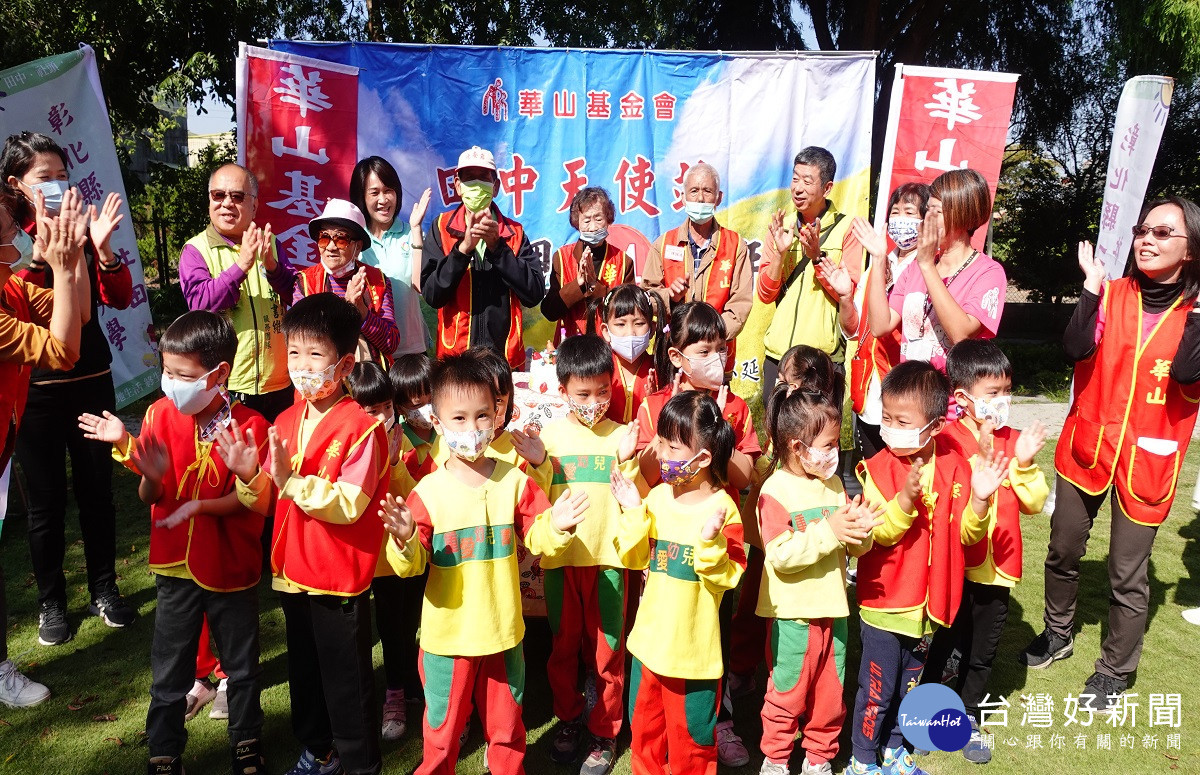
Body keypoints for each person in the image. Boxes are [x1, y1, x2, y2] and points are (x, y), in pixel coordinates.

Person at [1021, 197, 1200, 712]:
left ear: (1191, 251)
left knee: (1127, 572)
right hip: (1087, 447)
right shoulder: (1111, 293)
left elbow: (1188, 374)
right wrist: (1090, 290)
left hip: (1149, 460)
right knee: (1064, 549)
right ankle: (1058, 633)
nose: (1147, 239)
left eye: (1164, 233)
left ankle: (1115, 670)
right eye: (1144, 230)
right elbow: (1075, 349)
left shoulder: (1195, 312)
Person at [378, 352, 589, 775]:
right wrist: (403, 540)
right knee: (440, 735)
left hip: (503, 633)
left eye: (481, 416)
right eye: (458, 418)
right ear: (437, 423)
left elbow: (539, 536)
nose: (472, 428)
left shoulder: (515, 480)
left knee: (508, 731)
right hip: (446, 641)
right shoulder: (428, 492)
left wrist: (558, 525)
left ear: (497, 416)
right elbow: (411, 565)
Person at [80, 311, 268, 775]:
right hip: (174, 566)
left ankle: (246, 744)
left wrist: (236, 483)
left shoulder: (250, 426)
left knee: (241, 668)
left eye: (183, 376)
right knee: (168, 672)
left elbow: (253, 501)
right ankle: (163, 752)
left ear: (219, 374)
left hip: (230, 566)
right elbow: (153, 492)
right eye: (166, 372)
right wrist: (137, 459)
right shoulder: (159, 414)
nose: (171, 384)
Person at [220, 293, 389, 775]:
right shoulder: (286, 420)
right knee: (306, 674)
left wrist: (287, 480)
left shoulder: (363, 428)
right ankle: (318, 749)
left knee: (346, 679)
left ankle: (359, 762)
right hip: (292, 571)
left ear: (345, 363)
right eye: (293, 352)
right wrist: (250, 476)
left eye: (315, 355)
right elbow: (267, 501)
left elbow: (350, 504)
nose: (301, 365)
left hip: (337, 576)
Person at [2, 131, 136, 643]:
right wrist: (41, 259)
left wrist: (100, 251)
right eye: (44, 179)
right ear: (17, 185)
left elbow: (111, 301)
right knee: (45, 502)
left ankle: (105, 589)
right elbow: (26, 313)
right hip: (36, 389)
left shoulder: (79, 230)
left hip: (92, 381)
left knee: (97, 492)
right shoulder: (11, 239)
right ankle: (51, 603)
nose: (57, 186)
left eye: (62, 176)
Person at [847, 361, 1006, 775]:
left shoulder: (955, 464)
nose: (890, 428)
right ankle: (862, 759)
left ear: (935, 426)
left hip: (928, 608)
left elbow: (968, 536)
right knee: (877, 690)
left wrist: (982, 499)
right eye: (885, 418)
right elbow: (879, 534)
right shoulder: (878, 468)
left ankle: (897, 752)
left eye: (902, 420)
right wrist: (903, 501)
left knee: (910, 687)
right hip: (886, 604)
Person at [918, 340, 1047, 765]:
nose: (1003, 401)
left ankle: (969, 716)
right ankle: (928, 712)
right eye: (993, 394)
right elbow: (947, 511)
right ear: (962, 399)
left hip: (998, 571)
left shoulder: (1013, 442)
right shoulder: (948, 442)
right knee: (945, 640)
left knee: (982, 654)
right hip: (956, 567)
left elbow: (1032, 503)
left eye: (1008, 391)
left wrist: (1024, 466)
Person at [517, 334, 642, 775]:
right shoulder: (547, 439)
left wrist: (626, 459)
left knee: (608, 653)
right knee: (563, 648)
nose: (594, 401)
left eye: (603, 392)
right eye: (583, 394)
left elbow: (631, 498)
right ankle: (568, 720)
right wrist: (537, 463)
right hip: (561, 565)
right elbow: (534, 503)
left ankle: (605, 732)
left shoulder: (621, 438)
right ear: (563, 388)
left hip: (609, 565)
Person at [609, 391, 746, 775]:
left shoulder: (724, 510)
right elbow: (632, 558)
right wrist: (635, 511)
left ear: (703, 458)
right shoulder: (656, 499)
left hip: (694, 657)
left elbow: (728, 576)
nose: (661, 455)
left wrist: (707, 544)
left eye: (670, 447)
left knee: (692, 741)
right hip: (649, 647)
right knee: (645, 731)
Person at [755, 387, 881, 775]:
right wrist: (831, 529)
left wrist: (862, 531)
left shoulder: (833, 485)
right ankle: (775, 757)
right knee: (788, 690)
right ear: (798, 447)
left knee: (830, 691)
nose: (835, 452)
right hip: (793, 615)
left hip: (833, 609)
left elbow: (849, 547)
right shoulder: (774, 490)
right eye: (828, 444)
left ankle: (819, 756)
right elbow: (780, 555)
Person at [0, 187, 86, 708]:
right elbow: (63, 349)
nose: (19, 228)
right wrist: (62, 264)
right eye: (10, 220)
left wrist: (71, 261)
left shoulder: (10, 286)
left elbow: (74, 315)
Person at [859, 168, 1007, 375]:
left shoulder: (988, 272)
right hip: (911, 393)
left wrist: (928, 266)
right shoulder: (915, 267)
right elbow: (880, 326)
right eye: (928, 210)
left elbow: (960, 334)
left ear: (963, 214)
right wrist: (877, 258)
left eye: (937, 211)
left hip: (953, 399)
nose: (927, 218)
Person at [179, 162, 295, 422]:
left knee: (276, 460)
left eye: (237, 196)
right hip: (227, 385)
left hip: (279, 382)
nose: (227, 204)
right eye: (218, 195)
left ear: (254, 205)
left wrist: (274, 268)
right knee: (232, 460)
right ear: (209, 200)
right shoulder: (196, 250)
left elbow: (295, 296)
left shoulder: (271, 243)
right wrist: (242, 265)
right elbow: (201, 304)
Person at [345, 361, 418, 741]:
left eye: (387, 407)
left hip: (390, 557)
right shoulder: (344, 441)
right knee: (354, 631)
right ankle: (360, 699)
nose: (382, 416)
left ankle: (398, 693)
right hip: (354, 557)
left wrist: (392, 462)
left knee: (396, 627)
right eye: (371, 410)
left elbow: (405, 496)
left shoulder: (398, 442)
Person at [423, 146, 545, 368]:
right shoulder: (441, 228)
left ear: (495, 186)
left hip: (504, 361)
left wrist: (497, 247)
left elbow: (534, 293)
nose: (476, 186)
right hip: (455, 361)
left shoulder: (514, 232)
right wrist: (463, 249)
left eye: (483, 178)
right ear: (458, 186)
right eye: (469, 179)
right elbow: (432, 294)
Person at [757, 147, 864, 390]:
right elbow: (765, 295)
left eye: (807, 181)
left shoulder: (847, 228)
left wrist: (816, 258)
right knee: (776, 425)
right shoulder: (780, 227)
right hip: (779, 355)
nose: (797, 188)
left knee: (819, 427)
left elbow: (848, 295)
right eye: (795, 179)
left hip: (821, 358)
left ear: (827, 188)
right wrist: (779, 256)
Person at [635, 302, 760, 493]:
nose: (716, 358)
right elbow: (645, 475)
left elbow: (743, 479)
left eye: (721, 349)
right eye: (704, 352)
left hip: (719, 516)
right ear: (676, 356)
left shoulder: (735, 407)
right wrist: (669, 422)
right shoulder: (653, 406)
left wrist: (716, 428)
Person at [641, 163, 752, 371]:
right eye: (694, 191)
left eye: (707, 191)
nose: (700, 198)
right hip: (675, 356)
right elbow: (647, 297)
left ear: (718, 198)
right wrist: (669, 297)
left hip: (717, 359)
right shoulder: (664, 244)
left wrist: (708, 341)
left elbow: (740, 305)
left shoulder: (735, 245)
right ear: (683, 197)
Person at [847, 183, 931, 459]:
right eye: (895, 212)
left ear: (926, 221)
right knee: (871, 475)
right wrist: (845, 298)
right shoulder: (877, 263)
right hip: (869, 389)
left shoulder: (928, 270)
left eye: (909, 212)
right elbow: (856, 327)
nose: (900, 220)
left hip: (904, 388)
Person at [295, 199, 401, 365]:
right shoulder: (304, 282)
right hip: (321, 382)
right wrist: (347, 307)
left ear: (357, 247)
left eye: (341, 239)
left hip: (368, 383)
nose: (330, 247)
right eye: (324, 237)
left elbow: (391, 343)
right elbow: (299, 339)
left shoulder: (378, 281)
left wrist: (362, 312)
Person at [350, 156, 432, 357]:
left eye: (388, 191)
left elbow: (420, 286)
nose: (383, 200)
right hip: (369, 353)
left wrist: (415, 230)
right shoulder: (353, 238)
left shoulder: (412, 233)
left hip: (412, 351)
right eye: (374, 193)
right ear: (362, 197)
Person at [542, 187, 634, 343]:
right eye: (586, 220)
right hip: (572, 349)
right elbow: (549, 311)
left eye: (598, 219)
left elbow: (629, 310)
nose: (593, 227)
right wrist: (578, 285)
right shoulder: (562, 258)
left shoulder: (624, 261)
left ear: (609, 219)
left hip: (609, 347)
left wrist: (595, 287)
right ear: (576, 223)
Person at [590, 283, 668, 425]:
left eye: (639, 323)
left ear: (651, 329)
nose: (631, 333)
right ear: (606, 331)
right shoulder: (597, 370)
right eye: (620, 324)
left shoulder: (662, 371)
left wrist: (655, 402)